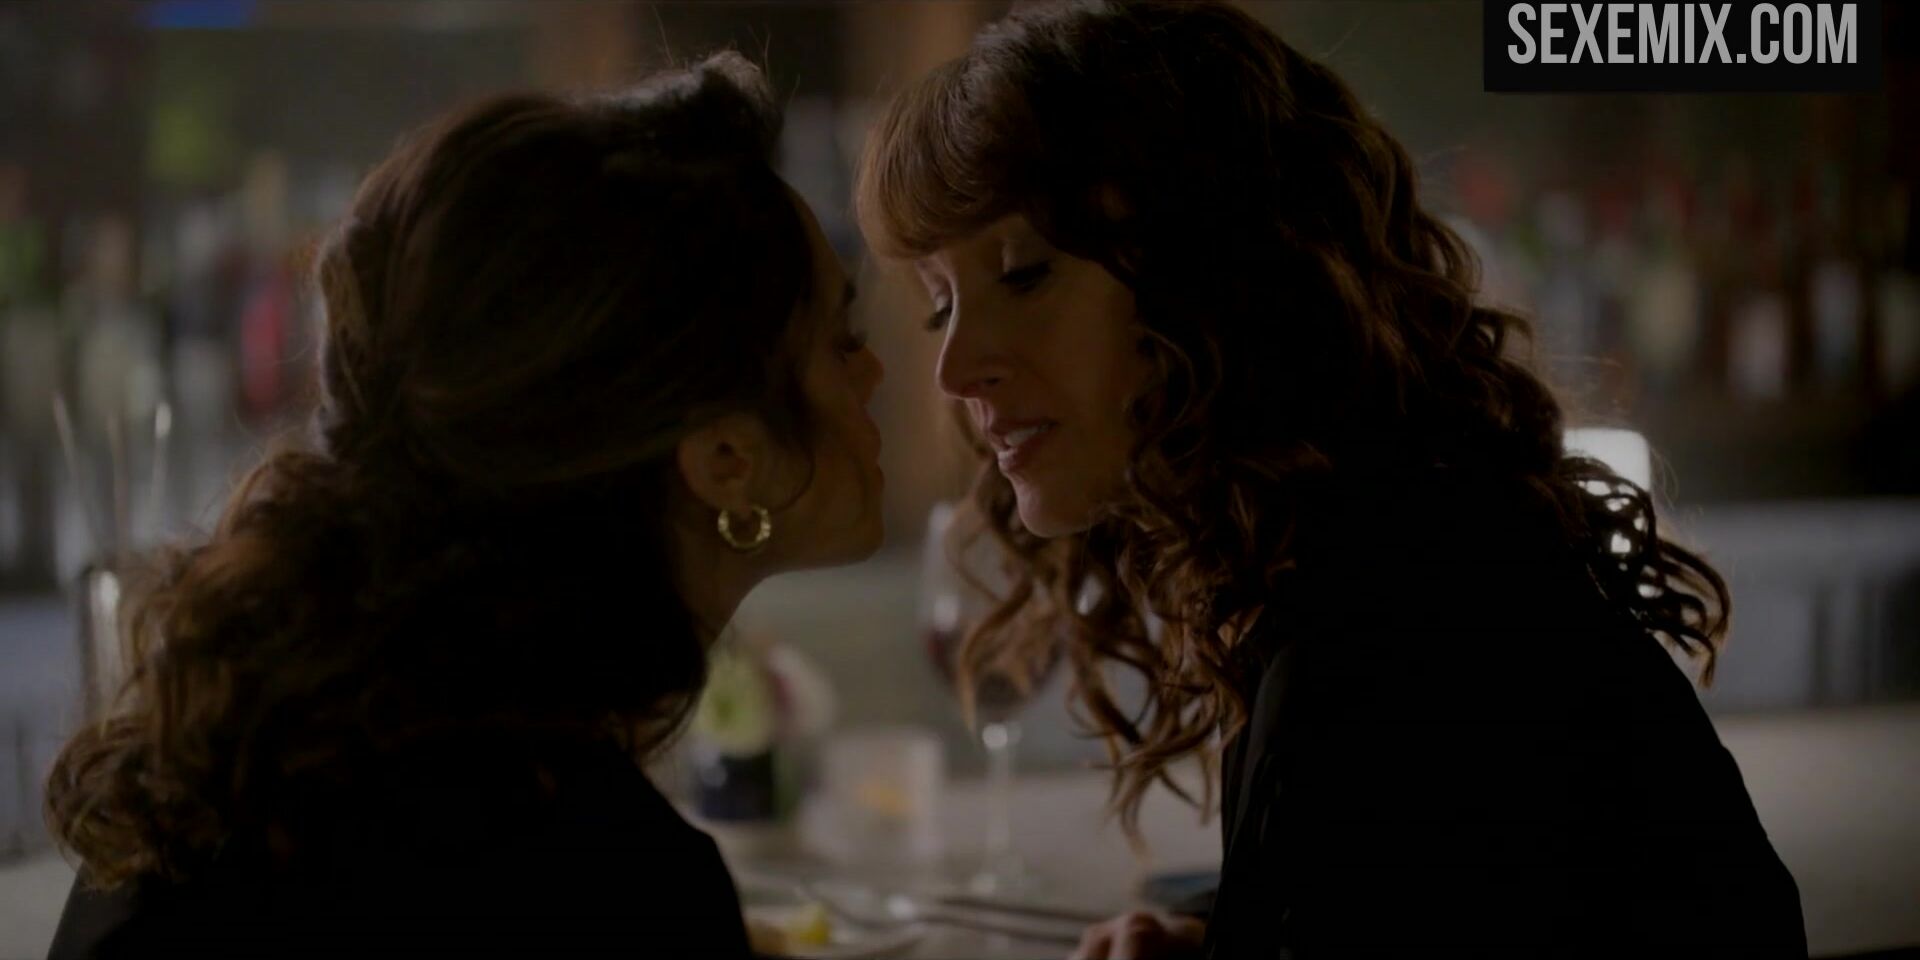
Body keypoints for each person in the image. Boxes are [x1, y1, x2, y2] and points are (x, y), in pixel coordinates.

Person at [856, 2, 1805, 957]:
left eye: (1022, 274)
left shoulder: (1394, 647)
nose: (955, 367)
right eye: (940, 304)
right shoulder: (1387, 556)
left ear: (1213, 269)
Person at [44, 52, 884, 958]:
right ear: (725, 457)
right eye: (843, 341)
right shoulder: (612, 882)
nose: (879, 373)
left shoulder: (214, 773)